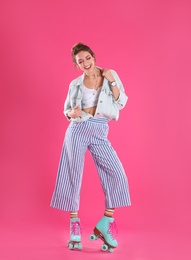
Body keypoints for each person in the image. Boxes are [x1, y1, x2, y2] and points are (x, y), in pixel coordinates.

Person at [50, 42, 131, 252]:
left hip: (100, 130)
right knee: (72, 175)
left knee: (117, 173)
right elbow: (67, 110)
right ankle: (74, 225)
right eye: (80, 61)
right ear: (76, 64)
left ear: (93, 56)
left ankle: (106, 221)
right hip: (77, 129)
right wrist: (71, 114)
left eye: (87, 58)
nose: (85, 63)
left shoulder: (109, 75)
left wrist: (112, 79)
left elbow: (121, 102)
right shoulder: (75, 84)